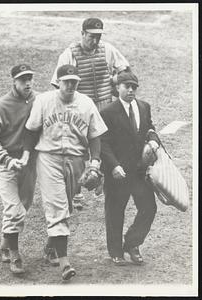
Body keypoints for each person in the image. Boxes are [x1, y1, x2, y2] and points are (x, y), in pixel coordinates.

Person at [23, 64, 107, 280]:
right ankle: (64, 262)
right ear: (58, 82)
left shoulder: (86, 103)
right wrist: (26, 156)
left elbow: (95, 135)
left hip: (76, 159)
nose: (70, 85)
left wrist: (95, 162)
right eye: (66, 81)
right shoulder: (43, 101)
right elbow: (31, 131)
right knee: (57, 206)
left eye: (74, 82)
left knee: (67, 205)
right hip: (48, 158)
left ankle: (51, 248)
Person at [51, 17, 130, 208]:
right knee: (77, 149)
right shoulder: (69, 54)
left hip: (104, 106)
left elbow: (126, 70)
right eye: (91, 36)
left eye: (98, 36)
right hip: (81, 108)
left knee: (107, 145)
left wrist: (115, 81)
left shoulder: (107, 49)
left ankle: (102, 179)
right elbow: (57, 84)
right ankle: (76, 191)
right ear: (82, 34)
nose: (95, 41)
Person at [0, 64, 38, 275]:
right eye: (23, 79)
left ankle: (4, 246)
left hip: (28, 163)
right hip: (4, 164)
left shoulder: (38, 100)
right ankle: (15, 255)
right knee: (14, 209)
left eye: (30, 78)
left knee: (24, 205)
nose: (27, 83)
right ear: (14, 81)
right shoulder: (1, 106)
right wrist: (6, 159)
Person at [100, 71, 160, 266]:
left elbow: (150, 128)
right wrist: (114, 165)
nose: (131, 90)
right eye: (127, 86)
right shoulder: (107, 112)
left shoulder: (143, 107)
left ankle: (132, 243)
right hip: (117, 172)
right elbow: (103, 143)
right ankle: (115, 251)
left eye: (134, 87)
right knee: (115, 211)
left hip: (139, 171)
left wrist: (152, 140)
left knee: (149, 208)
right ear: (117, 87)